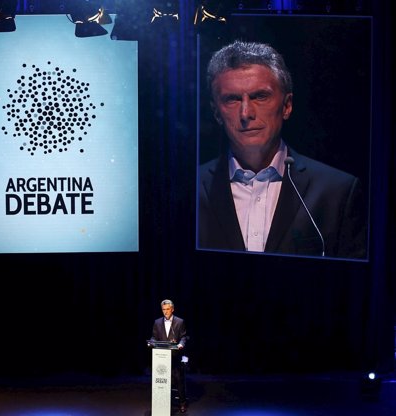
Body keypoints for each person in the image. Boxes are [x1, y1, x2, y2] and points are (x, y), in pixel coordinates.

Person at [198, 40, 366, 258]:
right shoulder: (189, 190)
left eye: (260, 96)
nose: (246, 113)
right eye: (232, 99)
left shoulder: (337, 191)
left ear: (287, 106)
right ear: (217, 113)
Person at [151, 299, 188, 413]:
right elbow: (154, 337)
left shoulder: (180, 322)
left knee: (179, 380)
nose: (165, 312)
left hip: (175, 356)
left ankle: (182, 403)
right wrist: (151, 342)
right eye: (163, 310)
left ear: (172, 309)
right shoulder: (157, 322)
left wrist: (181, 344)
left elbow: (183, 336)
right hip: (161, 357)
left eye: (167, 309)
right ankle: (162, 403)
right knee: (162, 380)